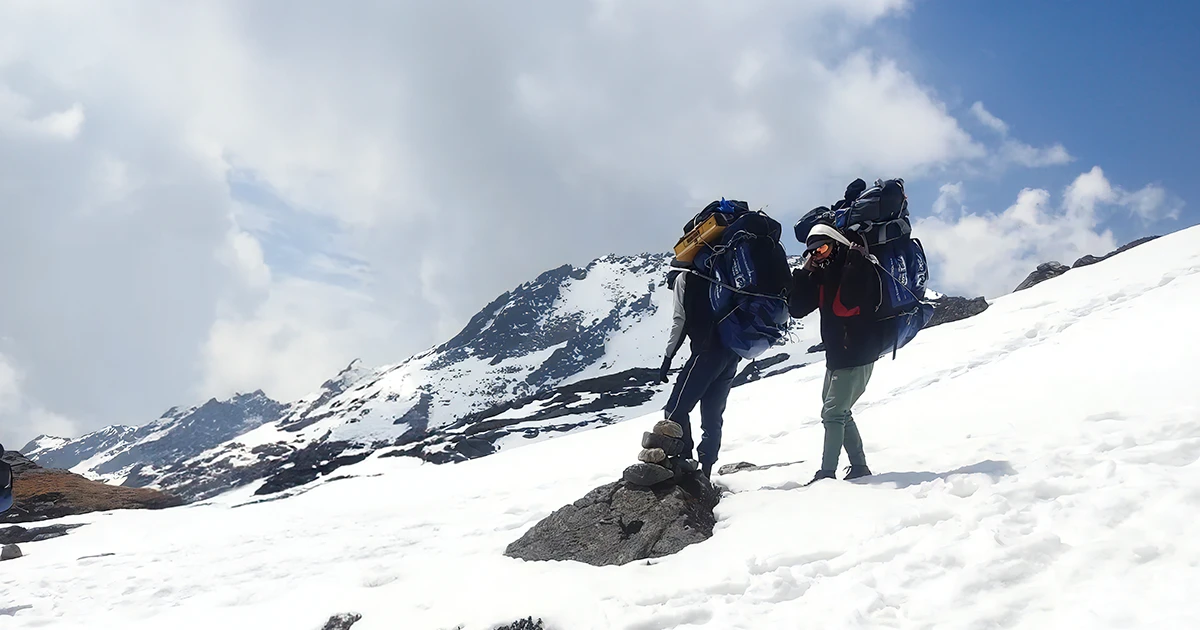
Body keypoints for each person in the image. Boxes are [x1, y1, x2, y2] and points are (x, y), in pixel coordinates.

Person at [788, 222, 884, 483]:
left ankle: (827, 473)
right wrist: (805, 273)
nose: (818, 254)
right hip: (838, 354)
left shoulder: (857, 266)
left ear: (836, 243)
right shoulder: (823, 272)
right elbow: (796, 309)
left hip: (857, 353)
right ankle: (859, 467)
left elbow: (845, 306)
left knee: (833, 413)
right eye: (812, 252)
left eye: (823, 248)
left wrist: (852, 265)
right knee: (840, 412)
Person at [656, 267, 742, 479]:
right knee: (712, 417)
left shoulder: (683, 279)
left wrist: (668, 358)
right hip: (731, 354)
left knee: (674, 410)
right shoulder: (723, 271)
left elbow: (680, 320)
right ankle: (706, 471)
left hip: (706, 354)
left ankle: (685, 463)